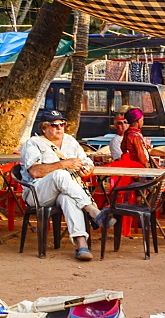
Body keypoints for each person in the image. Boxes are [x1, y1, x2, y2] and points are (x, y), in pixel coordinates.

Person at [19, 110, 113, 261]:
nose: (59, 128)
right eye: (54, 125)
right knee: (60, 174)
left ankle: (82, 245)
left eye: (62, 124)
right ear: (43, 128)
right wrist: (62, 164)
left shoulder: (69, 140)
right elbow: (34, 171)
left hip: (64, 190)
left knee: (68, 198)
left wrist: (87, 168)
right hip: (36, 193)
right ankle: (93, 211)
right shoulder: (33, 144)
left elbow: (86, 160)